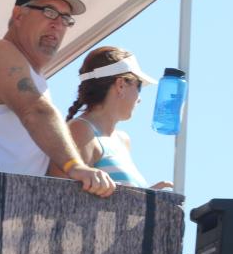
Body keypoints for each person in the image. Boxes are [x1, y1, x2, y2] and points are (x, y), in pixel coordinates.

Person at [0, 0, 116, 196]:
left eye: (65, 18)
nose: (58, 24)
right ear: (18, 15)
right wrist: (75, 166)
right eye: (49, 12)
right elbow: (35, 111)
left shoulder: (37, 78)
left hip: (6, 203)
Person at [65, 47, 172, 190]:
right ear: (121, 85)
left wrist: (149, 197)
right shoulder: (80, 130)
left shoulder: (123, 140)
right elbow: (63, 198)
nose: (139, 99)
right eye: (139, 87)